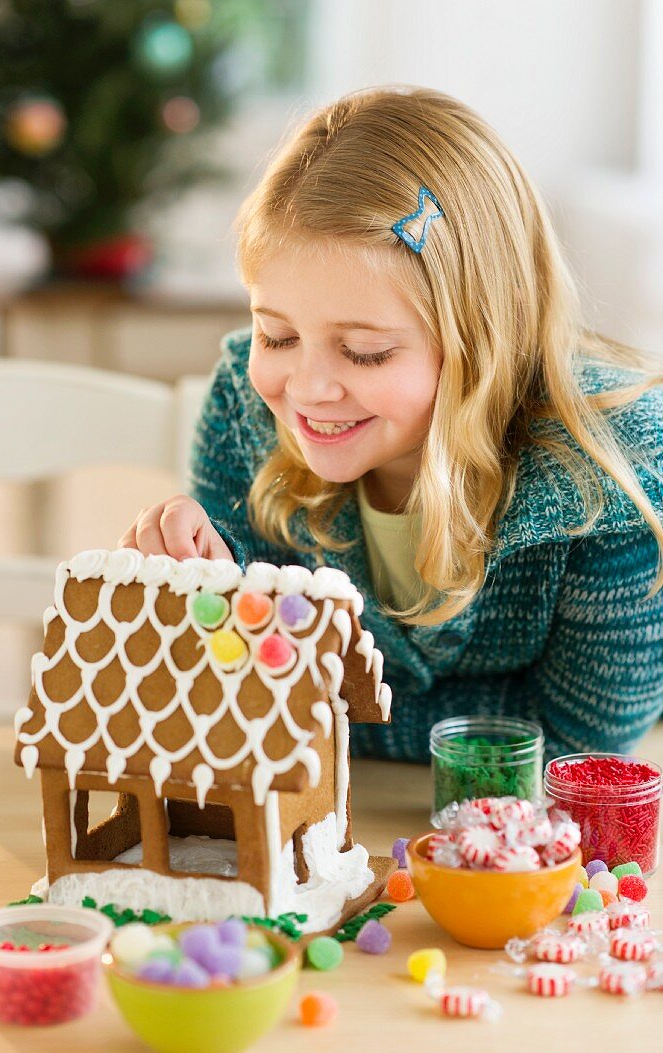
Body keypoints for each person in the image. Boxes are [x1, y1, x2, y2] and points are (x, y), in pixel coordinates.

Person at [119, 86, 663, 762]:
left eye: (365, 351)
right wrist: (204, 570)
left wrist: (323, 702)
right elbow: (229, 688)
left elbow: (579, 743)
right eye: (277, 337)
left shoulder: (611, 466)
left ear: (493, 329)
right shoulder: (245, 402)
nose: (309, 388)